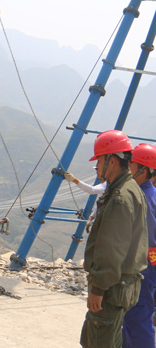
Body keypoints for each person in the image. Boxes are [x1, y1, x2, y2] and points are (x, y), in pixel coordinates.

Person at [80, 130, 148, 348]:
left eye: (99, 160)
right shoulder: (129, 189)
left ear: (112, 161)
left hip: (112, 288)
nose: (97, 167)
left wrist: (98, 289)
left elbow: (112, 249)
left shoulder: (120, 197)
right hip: (121, 285)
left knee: (99, 341)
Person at [122, 143, 156, 347]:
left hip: (143, 264)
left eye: (131, 166)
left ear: (144, 170)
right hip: (147, 262)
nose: (127, 170)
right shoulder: (148, 195)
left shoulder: (144, 199)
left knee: (138, 316)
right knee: (134, 316)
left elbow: (147, 238)